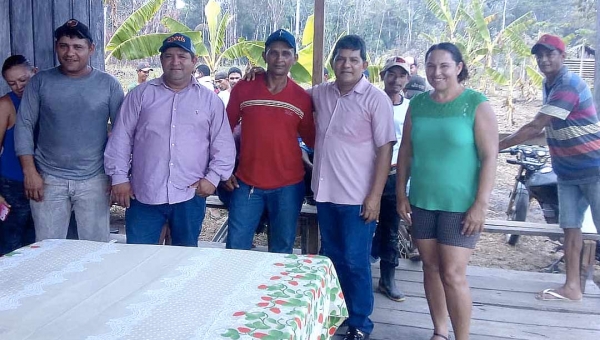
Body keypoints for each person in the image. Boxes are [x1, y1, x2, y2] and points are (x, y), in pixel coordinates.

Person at [396, 42, 498, 340]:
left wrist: (481, 203)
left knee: (453, 274)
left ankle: (461, 337)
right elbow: (406, 151)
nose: (436, 72)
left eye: (444, 65)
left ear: (459, 67)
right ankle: (440, 331)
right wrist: (401, 193)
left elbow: (490, 155)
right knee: (430, 266)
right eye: (431, 65)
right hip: (423, 201)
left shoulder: (475, 104)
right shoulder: (418, 105)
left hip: (461, 205)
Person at [105, 33, 235, 246]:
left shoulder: (210, 101)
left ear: (194, 61)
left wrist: (213, 178)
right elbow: (121, 138)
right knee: (138, 259)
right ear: (161, 60)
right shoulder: (140, 95)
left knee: (182, 262)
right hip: (144, 193)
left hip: (189, 194)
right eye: (169, 56)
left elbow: (223, 144)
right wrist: (119, 178)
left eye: (182, 56)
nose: (176, 62)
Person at [500, 34, 600, 302]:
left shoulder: (568, 84)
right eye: (539, 55)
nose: (544, 60)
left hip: (594, 168)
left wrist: (495, 147)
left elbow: (536, 126)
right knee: (570, 228)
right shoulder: (550, 84)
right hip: (567, 172)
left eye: (550, 54)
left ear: (562, 56)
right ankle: (572, 287)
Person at [310, 35, 396, 340]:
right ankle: (337, 314)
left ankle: (360, 323)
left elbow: (385, 149)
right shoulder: (320, 93)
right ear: (333, 62)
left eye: (353, 59)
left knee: (356, 261)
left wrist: (374, 196)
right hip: (324, 194)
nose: (346, 64)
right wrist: (260, 75)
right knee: (332, 258)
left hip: (358, 197)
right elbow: (290, 96)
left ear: (365, 64)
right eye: (341, 58)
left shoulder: (376, 99)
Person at [15, 19, 124, 242]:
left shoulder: (109, 84)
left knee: (94, 251)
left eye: (77, 47)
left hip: (94, 179)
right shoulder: (40, 82)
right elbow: (24, 124)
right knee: (46, 248)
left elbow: (122, 133)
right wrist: (30, 172)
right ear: (56, 47)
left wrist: (117, 176)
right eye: (63, 46)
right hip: (48, 179)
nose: (70, 53)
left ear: (91, 49)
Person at [223, 28, 315, 254]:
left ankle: (274, 290)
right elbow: (223, 130)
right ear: (264, 56)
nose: (279, 59)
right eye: (273, 53)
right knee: (236, 246)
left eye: (286, 53)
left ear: (295, 58)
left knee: (282, 250)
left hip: (289, 186)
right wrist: (225, 169)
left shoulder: (302, 98)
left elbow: (312, 139)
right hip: (247, 183)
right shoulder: (244, 88)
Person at [369, 56, 411, 303]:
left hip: (395, 174)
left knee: (391, 228)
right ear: (383, 75)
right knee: (363, 223)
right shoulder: (372, 99)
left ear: (407, 78)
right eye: (391, 74)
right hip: (369, 173)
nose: (396, 80)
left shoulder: (410, 107)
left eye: (401, 75)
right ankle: (357, 274)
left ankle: (388, 278)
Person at [0, 55, 37, 255]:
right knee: (10, 245)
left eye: (23, 80)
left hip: (44, 183)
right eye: (12, 83)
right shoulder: (6, 104)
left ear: (35, 72)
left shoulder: (47, 99)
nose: (19, 86)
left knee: (36, 243)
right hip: (11, 186)